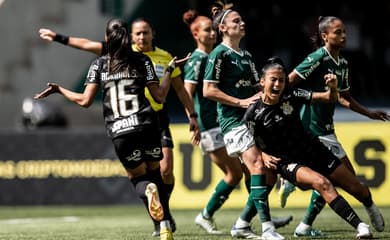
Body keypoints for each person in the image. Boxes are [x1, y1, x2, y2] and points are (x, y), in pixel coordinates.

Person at [39, 18, 201, 237]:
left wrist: (60, 90)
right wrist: (168, 71)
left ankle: (154, 205)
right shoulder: (142, 60)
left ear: (107, 38)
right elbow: (160, 97)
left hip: (120, 131)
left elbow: (85, 101)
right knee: (156, 172)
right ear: (128, 36)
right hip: (146, 124)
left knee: (138, 179)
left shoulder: (99, 64)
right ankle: (164, 226)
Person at [182, 8, 292, 238]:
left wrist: (279, 93)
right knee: (251, 170)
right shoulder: (218, 54)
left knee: (265, 174)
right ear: (222, 28)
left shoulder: (247, 56)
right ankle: (267, 228)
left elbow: (257, 89)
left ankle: (243, 222)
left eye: (242, 19)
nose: (242, 23)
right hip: (231, 122)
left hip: (253, 121)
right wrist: (239, 102)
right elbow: (208, 90)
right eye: (236, 20)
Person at [243, 56, 378, 239]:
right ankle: (361, 226)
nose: (277, 84)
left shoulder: (292, 95)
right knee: (322, 183)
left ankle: (370, 206)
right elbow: (248, 144)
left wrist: (332, 87)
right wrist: (263, 154)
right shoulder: (253, 113)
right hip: (288, 161)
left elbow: (328, 98)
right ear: (262, 82)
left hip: (313, 149)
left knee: (357, 188)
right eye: (273, 80)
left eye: (281, 80)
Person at [278, 16, 387, 237]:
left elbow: (343, 98)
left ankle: (305, 225)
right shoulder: (317, 58)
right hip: (311, 129)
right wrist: (311, 97)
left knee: (336, 178)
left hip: (326, 128)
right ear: (325, 36)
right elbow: (287, 83)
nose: (343, 36)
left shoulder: (343, 64)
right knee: (344, 177)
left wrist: (369, 113)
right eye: (338, 32)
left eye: (344, 31)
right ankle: (369, 209)